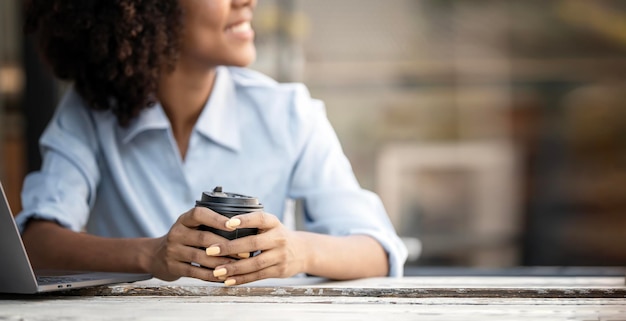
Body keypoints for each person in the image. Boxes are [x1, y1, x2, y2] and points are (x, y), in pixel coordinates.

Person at [17, 0, 408, 286]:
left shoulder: (288, 112)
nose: (247, 2)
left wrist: (296, 251)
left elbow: (377, 250)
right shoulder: (90, 111)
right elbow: (33, 245)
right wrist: (151, 255)